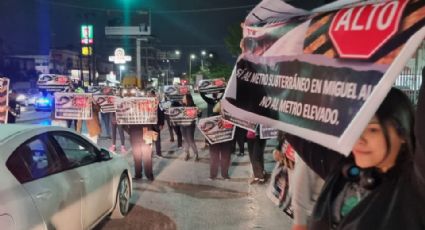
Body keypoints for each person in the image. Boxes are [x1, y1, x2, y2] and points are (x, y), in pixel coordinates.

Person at [285, 86, 425, 229]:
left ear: (402, 132)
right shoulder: (343, 168)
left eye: (372, 130)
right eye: (354, 128)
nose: (358, 139)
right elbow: (287, 120)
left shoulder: (415, 187)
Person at [208, 101, 233, 180]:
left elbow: (233, 129)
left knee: (225, 158)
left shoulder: (230, 117)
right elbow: (208, 129)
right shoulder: (212, 116)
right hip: (215, 141)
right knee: (214, 158)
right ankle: (213, 175)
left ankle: (225, 175)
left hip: (226, 140)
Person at [180, 94, 200, 161]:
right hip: (183, 126)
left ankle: (196, 153)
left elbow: (199, 114)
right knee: (185, 140)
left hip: (190, 126)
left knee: (191, 140)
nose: (182, 99)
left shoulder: (193, 106)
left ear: (187, 99)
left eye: (183, 98)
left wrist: (198, 112)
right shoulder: (181, 106)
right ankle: (187, 153)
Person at [150, 90, 165, 157]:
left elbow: (162, 113)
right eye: (149, 95)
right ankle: (149, 152)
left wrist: (161, 124)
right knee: (148, 140)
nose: (150, 96)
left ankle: (158, 153)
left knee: (157, 139)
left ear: (154, 95)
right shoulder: (146, 103)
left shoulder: (158, 103)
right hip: (148, 124)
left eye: (151, 95)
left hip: (156, 124)